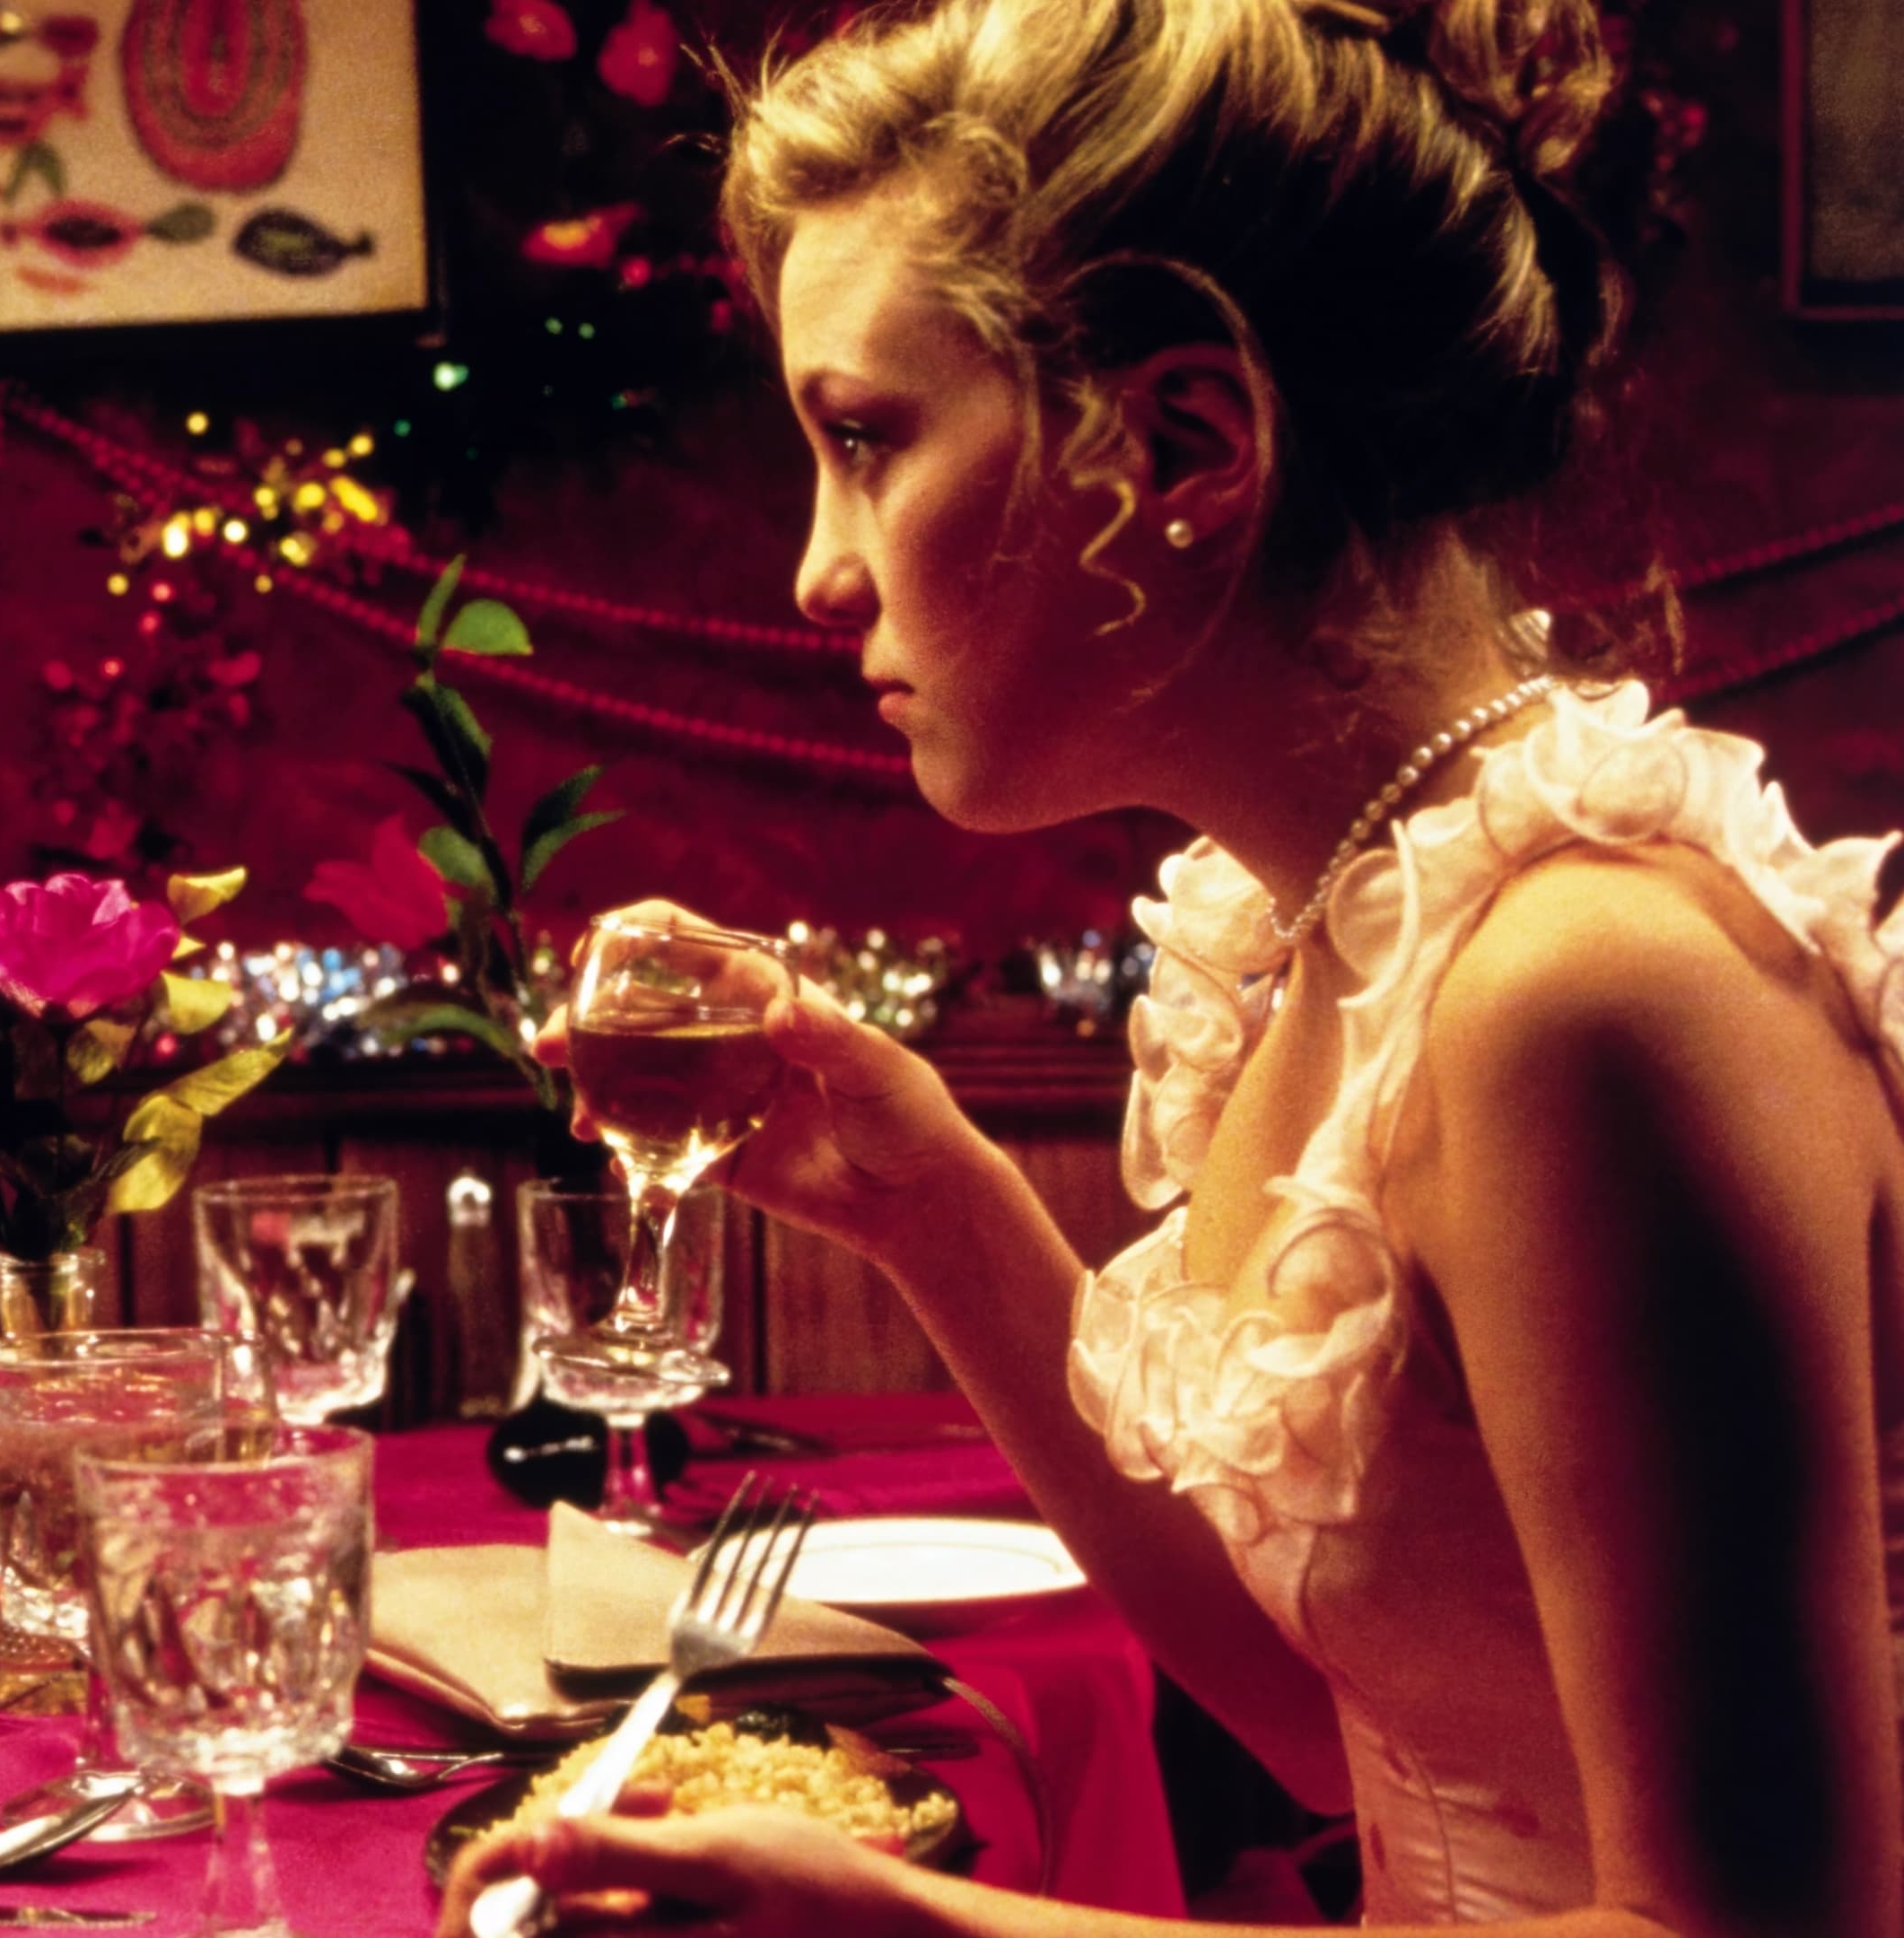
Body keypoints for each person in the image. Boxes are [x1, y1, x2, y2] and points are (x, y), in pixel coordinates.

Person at [442, 0, 1901, 1933]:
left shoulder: (1590, 996)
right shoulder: (1324, 936)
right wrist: (928, 1200)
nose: (817, 570)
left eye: (866, 438)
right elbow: (1332, 1723)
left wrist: (934, 1925)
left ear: (1184, 442)